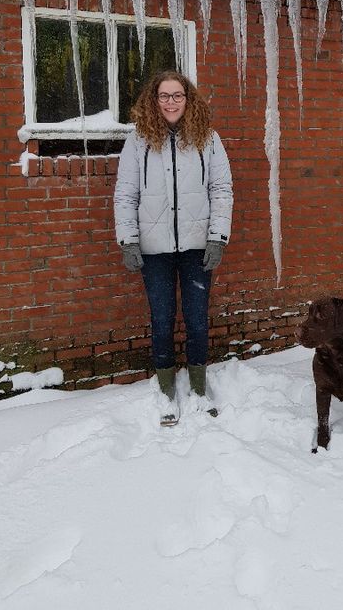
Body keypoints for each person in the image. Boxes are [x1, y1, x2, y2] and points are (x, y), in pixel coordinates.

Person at [113, 71, 233, 426]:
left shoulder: (208, 140)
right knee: (162, 320)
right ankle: (166, 390)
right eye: (163, 96)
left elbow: (222, 190)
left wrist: (218, 237)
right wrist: (128, 240)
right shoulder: (138, 141)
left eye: (177, 95)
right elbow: (125, 194)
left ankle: (198, 387)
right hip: (154, 251)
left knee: (197, 320)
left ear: (188, 99)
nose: (170, 102)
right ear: (154, 100)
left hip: (198, 248)